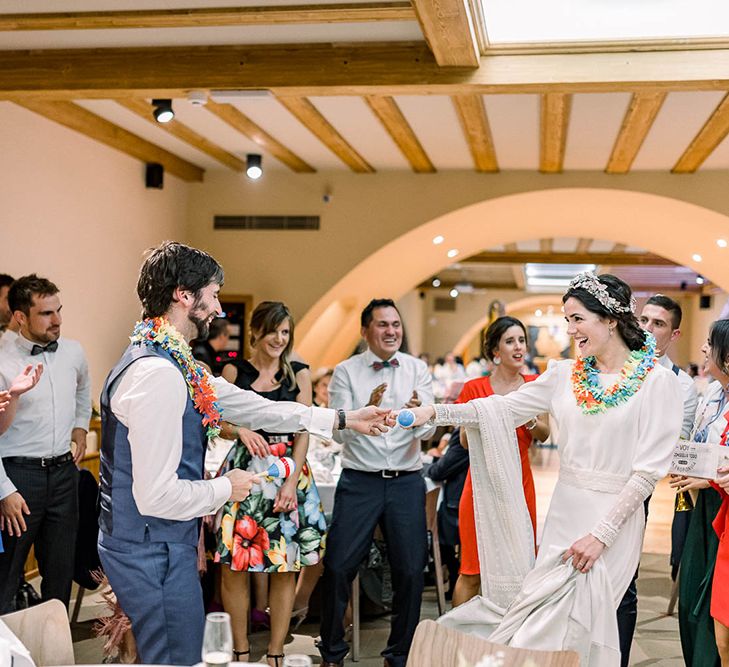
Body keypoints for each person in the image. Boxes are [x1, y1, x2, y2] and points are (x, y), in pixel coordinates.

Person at [98, 242, 391, 667]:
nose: (218, 308)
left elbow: (258, 407)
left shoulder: (174, 361)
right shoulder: (158, 373)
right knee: (173, 656)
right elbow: (154, 496)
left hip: (158, 542)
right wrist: (225, 487)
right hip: (150, 547)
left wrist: (344, 419)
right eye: (213, 294)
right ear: (184, 294)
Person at [404, 273, 683, 665]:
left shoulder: (656, 383)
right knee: (541, 626)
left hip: (614, 522)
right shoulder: (562, 375)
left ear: (610, 319)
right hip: (565, 514)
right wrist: (433, 412)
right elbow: (499, 408)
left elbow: (647, 473)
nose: (569, 330)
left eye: (577, 319)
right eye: (566, 320)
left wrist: (600, 536)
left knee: (581, 626)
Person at [318, 298, 435, 667]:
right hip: (360, 481)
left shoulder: (417, 369)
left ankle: (399, 655)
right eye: (382, 325)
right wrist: (356, 416)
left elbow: (431, 427)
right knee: (337, 566)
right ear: (365, 331)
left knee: (411, 570)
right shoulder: (346, 372)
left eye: (396, 325)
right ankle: (332, 653)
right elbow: (338, 436)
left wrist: (420, 416)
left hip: (405, 481)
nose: (391, 331)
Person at [216, 301, 327, 667]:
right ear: (255, 331)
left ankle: (276, 651)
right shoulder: (234, 371)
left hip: (288, 472)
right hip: (245, 473)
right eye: (273, 330)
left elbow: (304, 429)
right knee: (234, 564)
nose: (279, 338)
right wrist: (240, 429)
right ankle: (240, 649)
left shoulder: (299, 374)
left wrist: (291, 483)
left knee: (285, 565)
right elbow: (215, 421)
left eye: (285, 332)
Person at [610, 294, 699, 664]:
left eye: (658, 324)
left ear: (674, 334)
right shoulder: (611, 364)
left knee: (625, 576)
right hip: (597, 476)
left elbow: (674, 446)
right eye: (643, 320)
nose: (646, 328)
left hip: (637, 485)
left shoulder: (682, 387)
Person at [0, 274, 91, 613]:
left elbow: (83, 390)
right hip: (18, 478)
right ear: (21, 317)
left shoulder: (73, 351)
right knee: (7, 573)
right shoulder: (1, 357)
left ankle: (55, 653)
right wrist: (3, 491)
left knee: (59, 572)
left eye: (59, 310)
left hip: (64, 473)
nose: (58, 320)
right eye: (46, 314)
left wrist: (81, 426)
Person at [451, 316, 550, 608]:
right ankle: (458, 641)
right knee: (472, 571)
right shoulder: (474, 388)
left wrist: (528, 417)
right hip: (480, 487)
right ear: (495, 351)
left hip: (520, 486)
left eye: (522, 340)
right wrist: (482, 420)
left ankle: (512, 640)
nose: (519, 347)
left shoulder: (535, 385)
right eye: (510, 341)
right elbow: (464, 443)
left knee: (522, 569)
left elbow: (544, 434)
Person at [672, 319, 729, 667]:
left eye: (711, 343)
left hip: (722, 505)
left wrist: (704, 478)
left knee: (717, 606)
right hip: (700, 502)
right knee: (691, 588)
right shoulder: (710, 393)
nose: (704, 349)